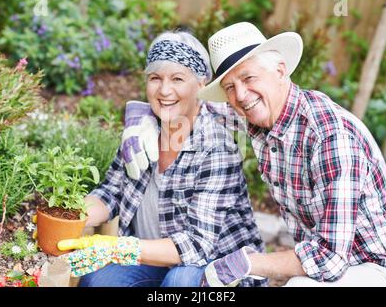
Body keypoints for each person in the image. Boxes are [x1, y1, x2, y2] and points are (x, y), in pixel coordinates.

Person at [119, 22, 386, 287]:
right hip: (331, 264)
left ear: (280, 71)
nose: (240, 95)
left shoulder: (329, 137)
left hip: (376, 267)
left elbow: (330, 258)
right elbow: (188, 106)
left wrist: (246, 263)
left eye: (248, 77)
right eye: (229, 87)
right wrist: (140, 117)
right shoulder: (257, 115)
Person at [57, 30, 266, 287]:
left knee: (181, 282)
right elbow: (111, 193)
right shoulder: (141, 131)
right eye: (155, 78)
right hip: (155, 263)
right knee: (98, 280)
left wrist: (118, 247)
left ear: (201, 85)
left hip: (218, 270)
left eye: (177, 78)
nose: (164, 90)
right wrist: (68, 217)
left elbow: (197, 246)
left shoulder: (217, 148)